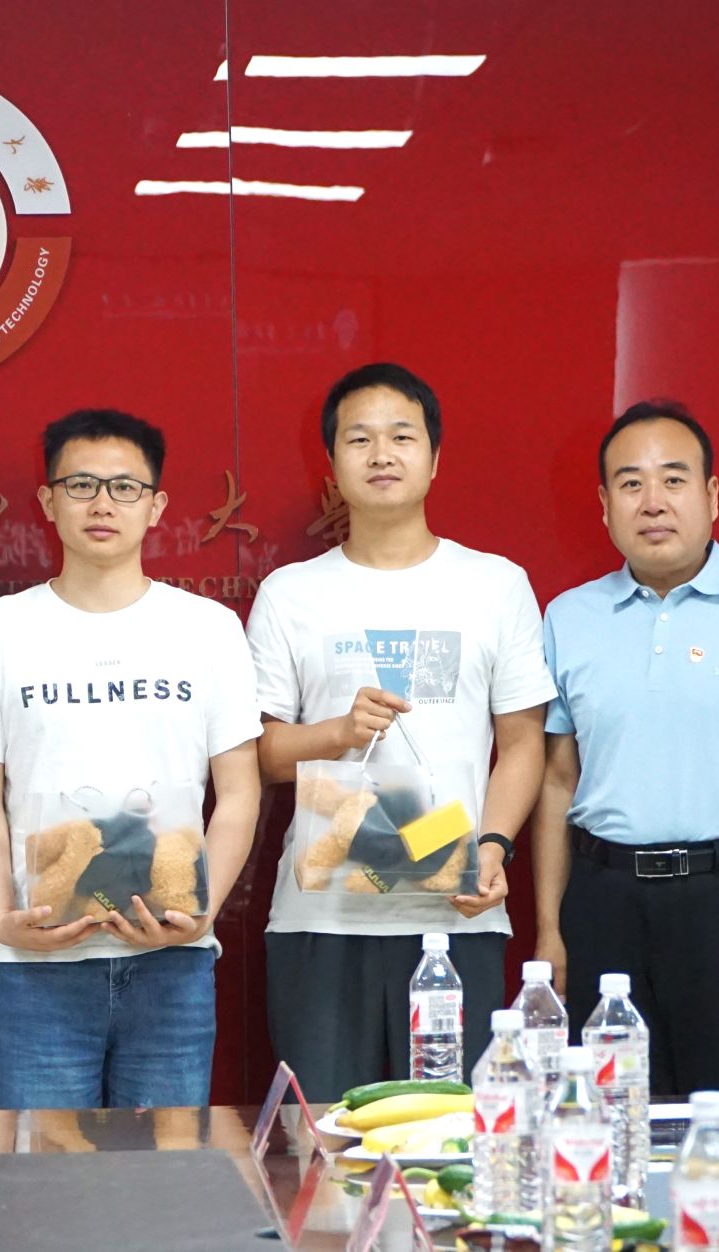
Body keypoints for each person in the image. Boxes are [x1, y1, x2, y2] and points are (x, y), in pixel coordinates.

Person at [246, 363, 556, 1102]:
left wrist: (492, 848)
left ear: (434, 459)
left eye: (401, 437)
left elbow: (523, 745)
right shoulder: (290, 594)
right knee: (324, 1137)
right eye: (360, 439)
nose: (381, 454)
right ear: (331, 464)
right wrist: (336, 732)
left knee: (450, 1136)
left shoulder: (495, 585)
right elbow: (260, 754)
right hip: (321, 919)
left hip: (455, 916)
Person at [0, 409, 262, 1108]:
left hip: (171, 963)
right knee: (44, 1171)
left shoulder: (209, 630)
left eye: (124, 488)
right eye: (81, 485)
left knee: (166, 1167)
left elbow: (239, 791)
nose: (102, 504)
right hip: (38, 961)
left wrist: (202, 911)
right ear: (47, 501)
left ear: (157, 506)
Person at [533, 400, 719, 1095]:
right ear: (604, 505)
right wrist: (550, 929)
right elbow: (555, 781)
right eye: (630, 483)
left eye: (673, 479)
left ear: (712, 495)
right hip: (603, 901)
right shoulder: (568, 617)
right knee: (608, 1117)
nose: (653, 502)